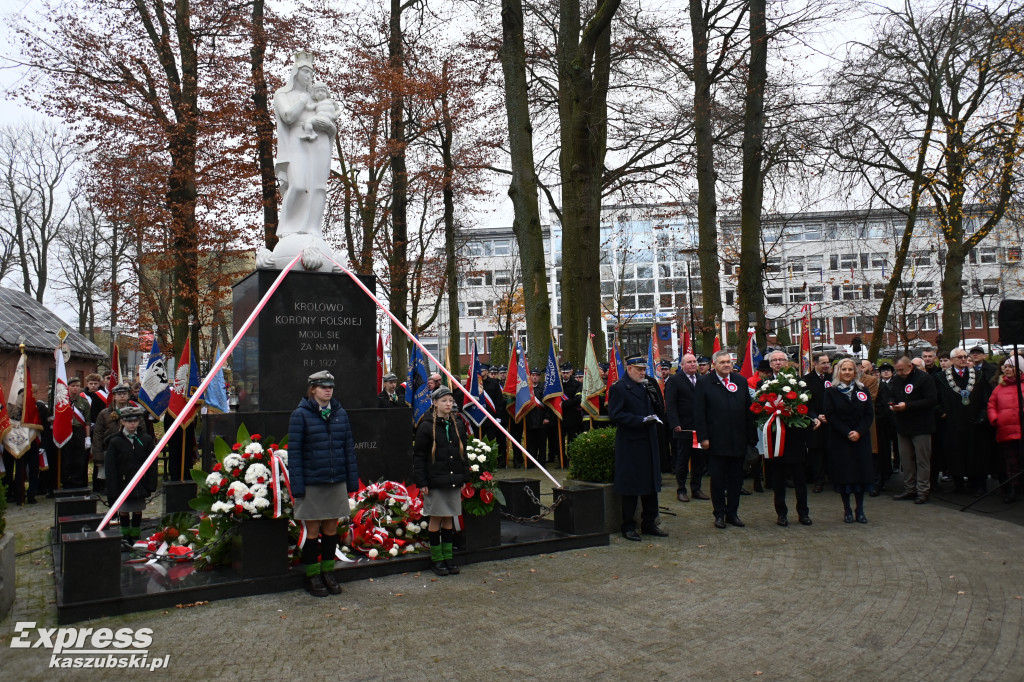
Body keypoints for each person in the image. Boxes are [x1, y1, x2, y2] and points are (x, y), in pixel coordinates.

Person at [288, 371, 358, 597]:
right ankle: (312, 575)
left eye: (330, 386)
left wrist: (351, 481)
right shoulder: (300, 415)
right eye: (322, 386)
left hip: (335, 480)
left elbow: (348, 449)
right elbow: (295, 454)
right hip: (312, 482)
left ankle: (328, 572)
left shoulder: (340, 414)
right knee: (313, 530)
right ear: (312, 389)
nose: (328, 390)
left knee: (331, 529)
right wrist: (297, 487)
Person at [608, 356, 667, 541]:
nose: (643, 373)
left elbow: (658, 409)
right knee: (631, 486)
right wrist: (639, 420)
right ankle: (628, 525)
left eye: (644, 369)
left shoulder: (645, 385)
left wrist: (654, 398)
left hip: (649, 441)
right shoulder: (619, 388)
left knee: (650, 485)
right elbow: (615, 414)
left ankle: (649, 523)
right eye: (639, 369)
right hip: (631, 443)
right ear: (629, 368)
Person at [695, 350, 756, 529]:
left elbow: (747, 410)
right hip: (716, 441)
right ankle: (719, 514)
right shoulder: (704, 383)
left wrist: (750, 438)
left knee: (736, 480)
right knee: (718, 480)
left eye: (728, 362)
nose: (726, 365)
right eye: (722, 362)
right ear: (714, 365)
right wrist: (703, 437)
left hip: (738, 440)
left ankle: (732, 513)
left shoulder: (741, 381)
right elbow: (699, 413)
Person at [413, 386, 470, 575]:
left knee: (449, 518)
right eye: (444, 401)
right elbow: (419, 456)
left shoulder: (457, 424)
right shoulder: (426, 425)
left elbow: (463, 454)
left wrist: (464, 477)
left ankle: (448, 556)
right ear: (435, 403)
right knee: (436, 517)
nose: (448, 404)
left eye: (450, 401)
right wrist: (422, 482)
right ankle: (436, 559)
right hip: (435, 481)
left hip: (453, 479)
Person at [823, 359, 875, 523]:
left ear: (855, 372)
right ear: (839, 372)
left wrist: (859, 431)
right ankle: (847, 510)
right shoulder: (831, 392)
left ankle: (860, 509)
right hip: (841, 439)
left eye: (850, 369)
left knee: (860, 475)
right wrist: (847, 432)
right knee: (845, 475)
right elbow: (830, 415)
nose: (847, 372)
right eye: (844, 369)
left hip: (860, 439)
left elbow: (869, 414)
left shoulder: (862, 390)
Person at [936, 348, 992, 494]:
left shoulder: (979, 376)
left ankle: (978, 483)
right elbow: (935, 400)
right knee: (955, 452)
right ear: (952, 359)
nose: (963, 359)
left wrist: (983, 415)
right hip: (953, 423)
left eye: (965, 357)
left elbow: (987, 398)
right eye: (960, 357)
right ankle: (958, 483)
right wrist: (941, 413)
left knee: (977, 453)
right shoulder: (941, 378)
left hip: (974, 422)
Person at [104, 406, 158, 547]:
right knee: (124, 510)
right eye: (129, 421)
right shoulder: (115, 441)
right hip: (123, 482)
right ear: (122, 422)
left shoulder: (145, 439)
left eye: (135, 421)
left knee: (137, 508)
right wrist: (112, 487)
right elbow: (110, 466)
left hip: (140, 482)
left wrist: (151, 483)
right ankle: (125, 534)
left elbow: (152, 463)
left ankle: (135, 533)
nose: (132, 424)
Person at [889, 356, 938, 504]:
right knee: (906, 460)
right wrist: (892, 403)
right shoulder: (897, 379)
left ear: (910, 366)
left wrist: (907, 406)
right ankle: (909, 488)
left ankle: (923, 490)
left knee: (922, 460)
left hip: (921, 426)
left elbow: (931, 400)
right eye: (897, 371)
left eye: (901, 370)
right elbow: (892, 393)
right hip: (903, 426)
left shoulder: (924, 379)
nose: (899, 373)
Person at [665, 353, 708, 502]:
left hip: (699, 428)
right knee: (682, 460)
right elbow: (670, 404)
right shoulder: (674, 380)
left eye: (694, 361)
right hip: (683, 428)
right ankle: (681, 489)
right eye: (689, 362)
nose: (693, 364)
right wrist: (675, 423)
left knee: (699, 460)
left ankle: (696, 488)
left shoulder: (703, 380)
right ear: (682, 365)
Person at [987, 356, 1024, 503]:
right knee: (1011, 463)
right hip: (1006, 431)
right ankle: (1013, 490)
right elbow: (991, 405)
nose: (1006, 369)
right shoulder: (999, 387)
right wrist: (995, 419)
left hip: (1022, 429)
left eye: (1010, 367)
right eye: (1006, 367)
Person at [92, 383, 134, 494]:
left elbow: (142, 431)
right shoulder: (104, 413)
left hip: (130, 447)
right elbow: (98, 435)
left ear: (128, 395)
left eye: (124, 393)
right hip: (109, 448)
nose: (122, 396)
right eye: (119, 394)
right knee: (110, 472)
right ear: (114, 396)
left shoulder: (135, 412)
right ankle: (109, 487)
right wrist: (98, 456)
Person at [802, 353, 833, 494]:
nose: (827, 365)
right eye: (823, 363)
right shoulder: (806, 380)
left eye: (828, 363)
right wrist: (816, 416)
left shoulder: (833, 378)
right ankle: (818, 481)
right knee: (817, 453)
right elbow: (804, 402)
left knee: (832, 451)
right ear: (815, 364)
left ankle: (833, 478)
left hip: (832, 421)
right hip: (815, 422)